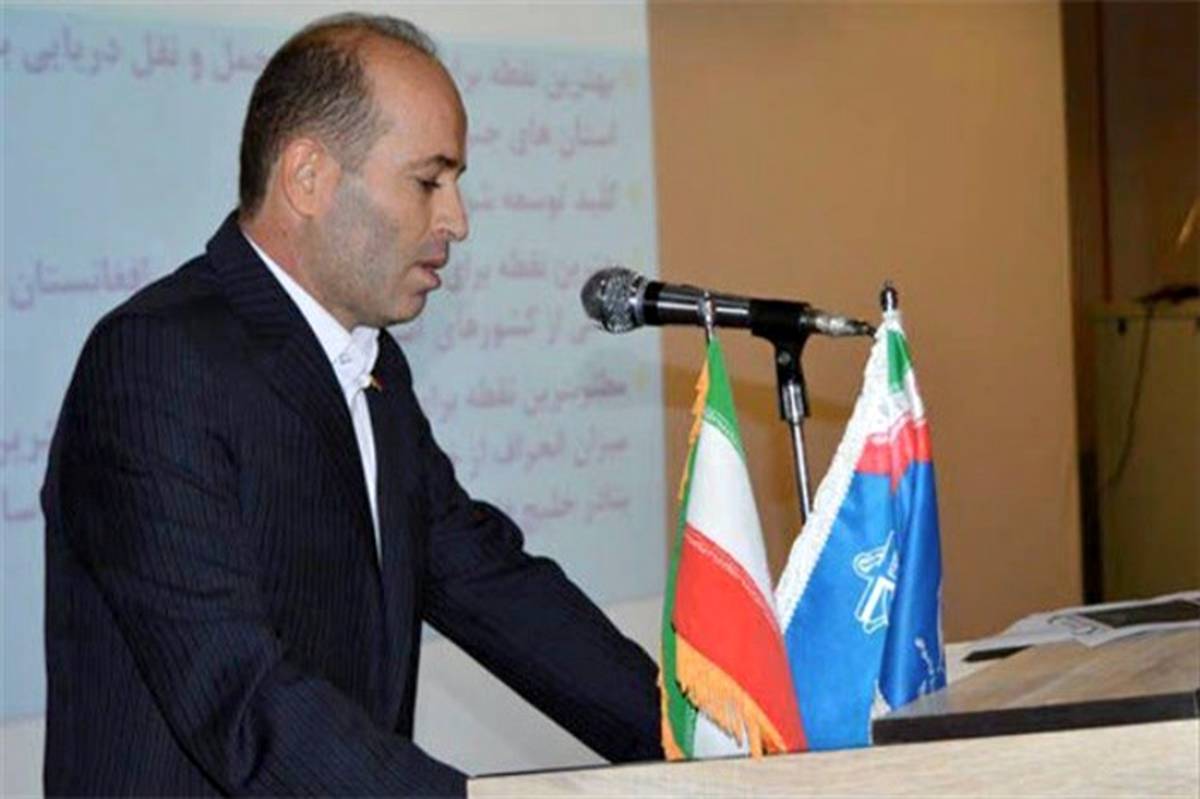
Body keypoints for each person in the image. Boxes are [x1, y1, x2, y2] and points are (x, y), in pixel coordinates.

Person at [41, 13, 661, 796]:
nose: (457, 220)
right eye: (429, 181)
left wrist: (702, 734)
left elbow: (491, 584)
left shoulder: (372, 365)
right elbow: (239, 697)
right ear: (308, 177)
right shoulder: (154, 361)